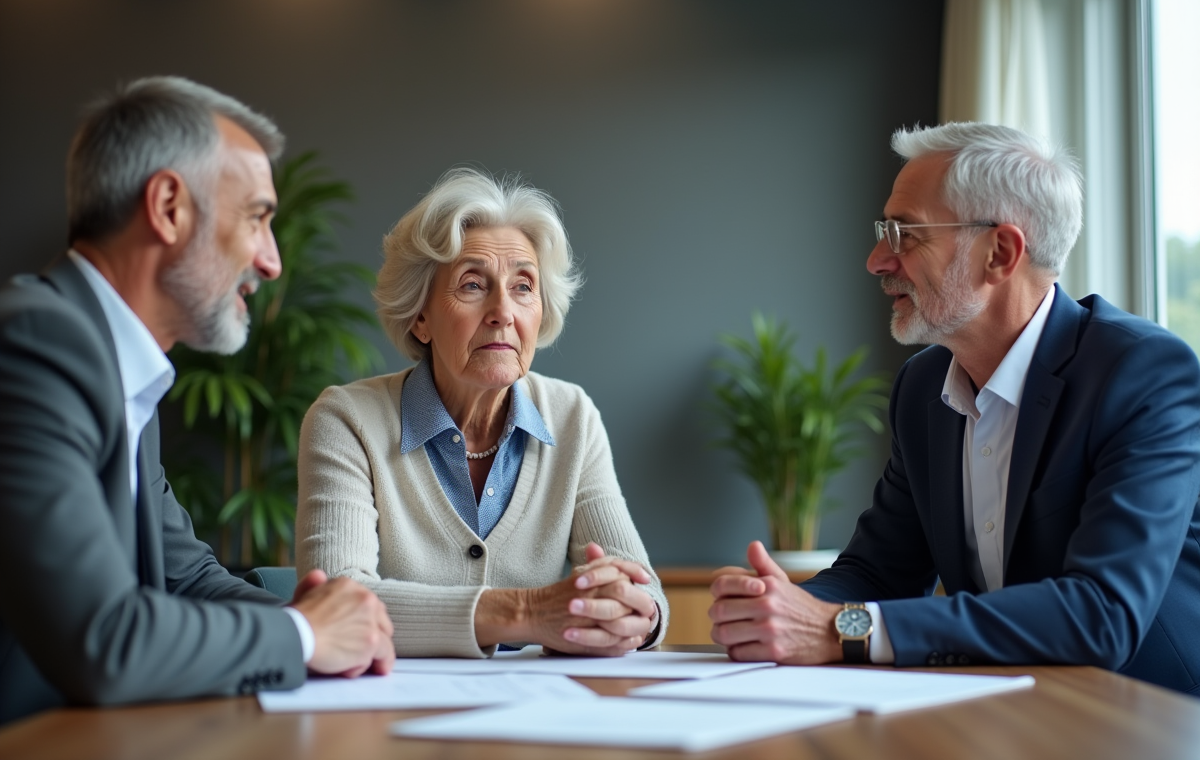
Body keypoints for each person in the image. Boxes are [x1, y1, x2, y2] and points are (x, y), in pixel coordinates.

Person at [710, 122, 1200, 694]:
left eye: (905, 234)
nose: (875, 260)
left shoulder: (1143, 373)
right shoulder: (922, 388)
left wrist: (844, 627)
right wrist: (783, 606)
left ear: (1000, 252)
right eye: (882, 231)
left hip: (1147, 717)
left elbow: (1102, 614)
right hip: (1003, 710)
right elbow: (879, 570)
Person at [0, 77, 394, 726]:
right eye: (258, 218)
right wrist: (305, 637)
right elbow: (104, 639)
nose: (271, 263)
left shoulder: (121, 370)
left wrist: (333, 621)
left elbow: (186, 579)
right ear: (169, 207)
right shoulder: (36, 344)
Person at [296, 168, 668, 658]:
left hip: (538, 716)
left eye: (523, 286)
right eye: (473, 285)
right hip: (389, 721)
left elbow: (645, 592)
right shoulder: (347, 420)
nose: (503, 312)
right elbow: (335, 606)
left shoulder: (572, 415)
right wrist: (527, 614)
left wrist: (632, 612)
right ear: (420, 317)